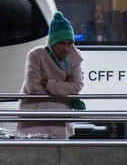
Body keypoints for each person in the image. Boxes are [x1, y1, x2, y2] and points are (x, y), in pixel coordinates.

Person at [17, 11, 84, 139]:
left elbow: (77, 86)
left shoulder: (75, 56)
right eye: (61, 43)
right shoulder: (36, 55)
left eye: (69, 43)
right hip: (36, 117)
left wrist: (47, 83)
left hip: (59, 117)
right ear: (53, 43)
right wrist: (64, 87)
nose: (66, 48)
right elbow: (33, 88)